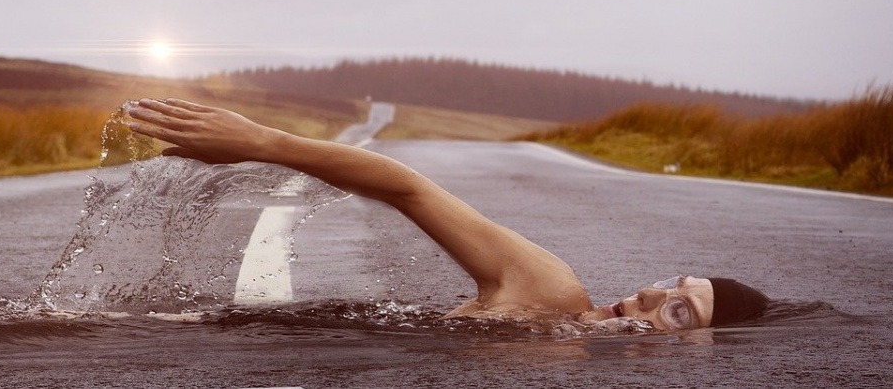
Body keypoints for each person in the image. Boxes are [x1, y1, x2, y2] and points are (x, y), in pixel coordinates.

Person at [127, 98, 771, 330]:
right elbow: (412, 190)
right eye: (670, 286)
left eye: (679, 311)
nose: (647, 297)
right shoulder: (551, 296)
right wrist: (263, 144)